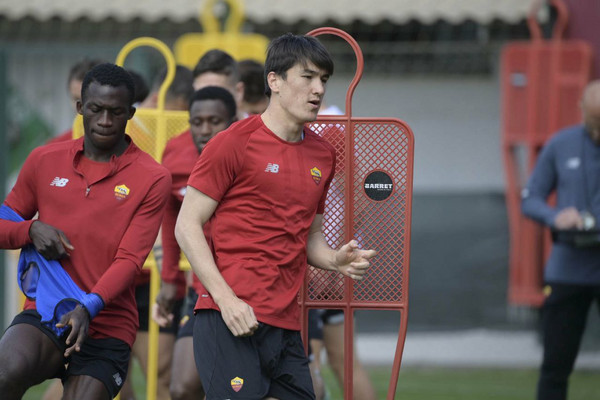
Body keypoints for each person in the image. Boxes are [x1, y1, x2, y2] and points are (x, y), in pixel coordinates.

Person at [175, 33, 377, 400]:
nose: (318, 89)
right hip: (228, 316)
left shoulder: (323, 154)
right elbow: (186, 226)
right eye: (308, 77)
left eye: (324, 80)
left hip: (286, 323)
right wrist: (227, 301)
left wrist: (335, 260)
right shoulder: (232, 142)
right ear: (275, 81)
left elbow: (309, 237)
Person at [0, 63, 171, 399]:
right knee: (4, 373)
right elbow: (4, 223)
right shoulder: (44, 159)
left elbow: (130, 259)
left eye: (116, 112)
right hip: (45, 311)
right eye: (96, 109)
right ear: (80, 107)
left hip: (107, 323)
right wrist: (30, 230)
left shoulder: (153, 177)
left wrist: (88, 307)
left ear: (131, 113)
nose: (105, 120)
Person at [152, 86, 238, 400]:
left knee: (245, 386)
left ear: (233, 121)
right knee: (183, 386)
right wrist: (170, 279)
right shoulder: (174, 155)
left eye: (214, 121)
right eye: (197, 122)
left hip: (251, 288)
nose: (204, 130)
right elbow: (171, 216)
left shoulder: (254, 153)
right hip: (202, 288)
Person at [522, 80, 600, 400]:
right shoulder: (561, 144)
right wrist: (555, 217)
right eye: (594, 123)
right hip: (568, 269)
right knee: (555, 366)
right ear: (581, 110)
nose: (599, 132)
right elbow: (530, 198)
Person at [120, 64, 194, 400]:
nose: (150, 107)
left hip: (162, 278)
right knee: (108, 375)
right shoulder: (135, 132)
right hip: (128, 275)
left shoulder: (177, 142)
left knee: (163, 373)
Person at [47, 58, 106, 144]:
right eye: (76, 99)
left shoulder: (124, 143)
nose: (82, 107)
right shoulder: (55, 146)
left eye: (89, 99)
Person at [192, 49, 247, 120]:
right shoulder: (185, 126)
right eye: (202, 95)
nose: (208, 104)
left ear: (239, 92)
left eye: (217, 95)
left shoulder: (259, 125)